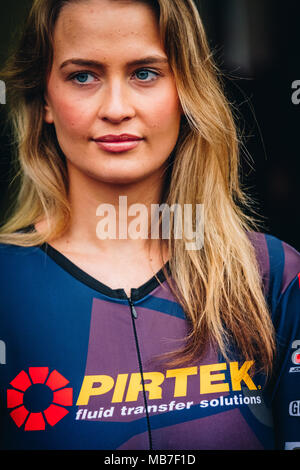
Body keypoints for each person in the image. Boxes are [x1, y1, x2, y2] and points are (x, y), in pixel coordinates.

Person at [0, 0, 299, 451]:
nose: (116, 108)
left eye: (145, 73)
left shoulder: (273, 273)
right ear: (45, 100)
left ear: (187, 91)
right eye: (83, 75)